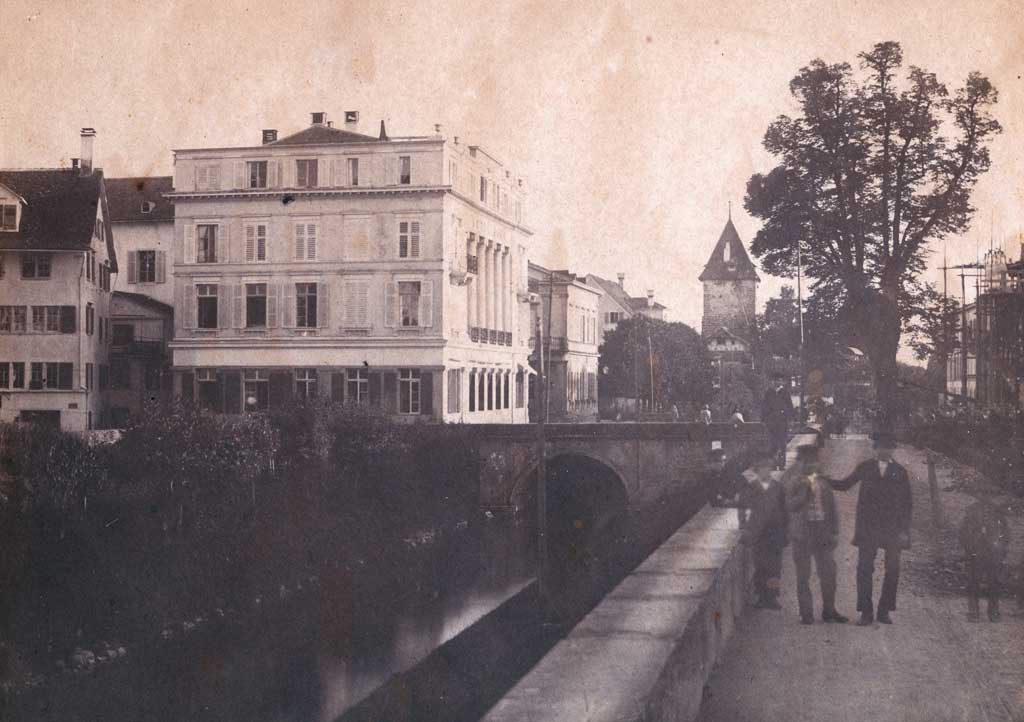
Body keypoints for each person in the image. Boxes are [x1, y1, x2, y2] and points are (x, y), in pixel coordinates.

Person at [827, 431, 912, 626]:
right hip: (869, 527)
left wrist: (904, 530)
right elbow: (845, 485)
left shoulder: (900, 472)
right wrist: (824, 480)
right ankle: (866, 612)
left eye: (889, 447)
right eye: (882, 447)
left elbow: (907, 505)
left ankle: (884, 611)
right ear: (875, 449)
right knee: (865, 568)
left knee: (893, 569)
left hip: (892, 529)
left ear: (893, 450)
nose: (885, 451)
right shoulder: (866, 468)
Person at [783, 444, 848, 625]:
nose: (811, 465)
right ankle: (806, 613)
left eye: (813, 461)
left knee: (829, 573)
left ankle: (829, 610)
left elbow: (832, 508)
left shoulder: (823, 481)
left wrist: (835, 531)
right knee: (803, 575)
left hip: (822, 531)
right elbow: (789, 506)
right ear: (800, 462)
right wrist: (804, 493)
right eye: (806, 461)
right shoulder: (793, 482)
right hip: (802, 533)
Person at [739, 455, 789, 609]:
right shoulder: (751, 487)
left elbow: (785, 510)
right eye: (762, 468)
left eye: (768, 468)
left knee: (775, 566)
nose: (766, 471)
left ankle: (772, 597)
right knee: (760, 564)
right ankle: (761, 596)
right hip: (758, 532)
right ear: (757, 470)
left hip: (775, 531)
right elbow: (743, 508)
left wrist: (786, 531)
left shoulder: (778, 487)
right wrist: (744, 527)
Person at [959, 485, 1009, 622]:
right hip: (976, 551)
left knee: (994, 582)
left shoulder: (998, 512)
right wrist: (969, 547)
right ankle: (973, 612)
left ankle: (993, 612)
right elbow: (964, 532)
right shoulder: (971, 511)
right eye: (982, 492)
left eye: (988, 493)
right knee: (973, 581)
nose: (985, 496)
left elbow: (1005, 533)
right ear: (977, 494)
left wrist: (1002, 548)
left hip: (993, 552)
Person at [762, 373, 794, 468]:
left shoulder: (785, 393)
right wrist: (764, 419)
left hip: (782, 422)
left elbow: (790, 407)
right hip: (771, 422)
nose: (777, 382)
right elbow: (764, 407)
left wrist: (789, 418)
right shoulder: (769, 392)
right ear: (773, 381)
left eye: (779, 380)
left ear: (782, 382)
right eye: (775, 380)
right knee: (772, 443)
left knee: (782, 443)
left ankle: (781, 464)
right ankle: (773, 464)